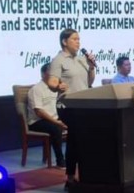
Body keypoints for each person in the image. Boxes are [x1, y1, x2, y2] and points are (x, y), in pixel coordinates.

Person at [46, 29, 96, 191]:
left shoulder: (82, 59)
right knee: (76, 140)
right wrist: (58, 85)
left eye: (79, 39)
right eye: (74, 39)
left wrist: (91, 66)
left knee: (79, 141)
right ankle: (70, 177)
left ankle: (79, 176)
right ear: (64, 41)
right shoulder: (58, 60)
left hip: (83, 105)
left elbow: (89, 81)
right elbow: (52, 81)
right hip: (67, 107)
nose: (78, 42)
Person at [27, 63, 67, 168]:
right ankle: (60, 161)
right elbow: (39, 111)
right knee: (55, 128)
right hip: (37, 121)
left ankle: (72, 157)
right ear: (44, 74)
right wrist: (56, 122)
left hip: (53, 119)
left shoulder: (54, 88)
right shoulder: (36, 89)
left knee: (74, 123)